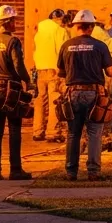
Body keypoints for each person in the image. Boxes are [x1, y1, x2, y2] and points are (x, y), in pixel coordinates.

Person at [57, 9, 112, 181]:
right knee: (95, 133)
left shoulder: (66, 46)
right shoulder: (100, 46)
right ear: (91, 27)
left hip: (73, 93)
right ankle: (93, 171)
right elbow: (111, 72)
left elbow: (61, 73)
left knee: (73, 133)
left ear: (77, 27)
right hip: (94, 94)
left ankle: (71, 172)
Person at [0, 5, 34, 180]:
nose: (16, 24)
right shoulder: (13, 42)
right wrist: (28, 81)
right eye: (14, 20)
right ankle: (15, 170)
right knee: (14, 130)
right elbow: (18, 65)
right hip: (10, 89)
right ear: (7, 22)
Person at [31, 8, 69, 142]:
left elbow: (35, 50)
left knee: (40, 100)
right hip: (55, 69)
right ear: (60, 19)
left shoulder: (39, 30)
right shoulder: (61, 31)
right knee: (55, 99)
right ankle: (53, 132)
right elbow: (64, 51)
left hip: (40, 69)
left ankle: (37, 131)